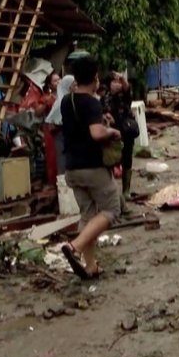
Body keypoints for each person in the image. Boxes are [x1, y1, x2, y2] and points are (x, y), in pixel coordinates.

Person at [60, 56, 121, 279]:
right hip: (92, 168)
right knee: (111, 210)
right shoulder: (92, 103)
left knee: (87, 216)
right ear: (95, 78)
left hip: (72, 168)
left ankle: (91, 265)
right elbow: (96, 133)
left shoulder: (68, 101)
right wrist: (112, 132)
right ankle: (74, 246)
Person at [102, 72, 135, 210]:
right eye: (114, 81)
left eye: (119, 82)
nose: (117, 84)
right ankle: (113, 192)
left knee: (127, 159)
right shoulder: (105, 96)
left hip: (126, 131)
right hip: (111, 133)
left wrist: (122, 78)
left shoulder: (124, 95)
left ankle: (126, 190)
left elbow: (127, 89)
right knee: (112, 160)